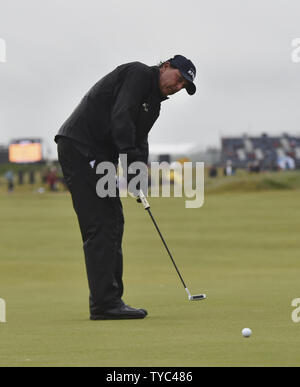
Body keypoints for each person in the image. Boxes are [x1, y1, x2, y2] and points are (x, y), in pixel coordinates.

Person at [55, 55, 197, 320]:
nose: (177, 87)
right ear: (165, 66)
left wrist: (137, 178)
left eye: (183, 86)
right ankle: (104, 304)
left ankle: (108, 300)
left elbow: (138, 140)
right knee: (101, 223)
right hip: (81, 145)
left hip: (98, 153)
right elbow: (121, 119)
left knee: (113, 220)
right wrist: (130, 165)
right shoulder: (139, 74)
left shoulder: (153, 105)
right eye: (178, 79)